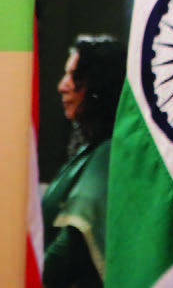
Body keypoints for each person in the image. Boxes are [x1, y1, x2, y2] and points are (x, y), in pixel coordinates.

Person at [42, 35, 127, 288]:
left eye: (74, 76)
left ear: (100, 84)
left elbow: (69, 248)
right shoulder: (91, 151)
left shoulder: (108, 154)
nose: (62, 86)